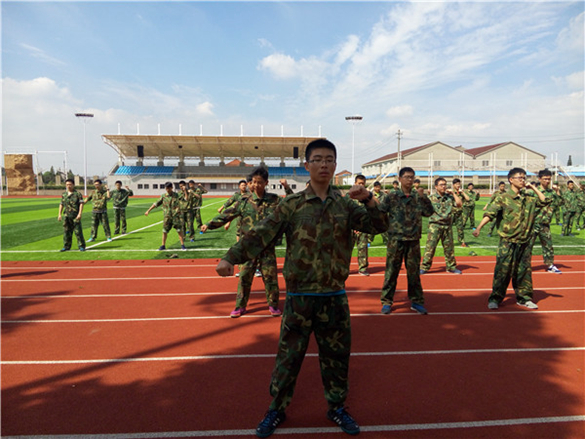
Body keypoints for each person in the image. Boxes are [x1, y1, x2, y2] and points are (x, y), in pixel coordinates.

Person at [214, 139, 388, 438]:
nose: (324, 164)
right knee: (289, 357)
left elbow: (380, 225)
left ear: (335, 165)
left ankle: (336, 406)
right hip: (299, 298)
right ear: (306, 165)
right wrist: (231, 257)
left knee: (337, 356)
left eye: (329, 159)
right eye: (317, 159)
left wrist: (369, 199)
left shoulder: (346, 205)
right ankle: (277, 408)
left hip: (333, 297)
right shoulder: (291, 205)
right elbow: (261, 233)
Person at [202, 167, 282, 318]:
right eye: (254, 182)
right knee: (244, 278)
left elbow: (289, 211)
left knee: (270, 278)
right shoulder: (244, 202)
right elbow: (227, 215)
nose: (256, 185)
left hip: (267, 247)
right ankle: (240, 306)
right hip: (247, 249)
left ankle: (273, 305)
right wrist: (209, 224)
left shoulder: (275, 200)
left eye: (260, 182)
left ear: (266, 183)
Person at [473, 168, 551, 310]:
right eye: (519, 177)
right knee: (502, 271)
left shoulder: (528, 197)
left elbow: (545, 200)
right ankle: (496, 298)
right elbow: (490, 213)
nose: (523, 180)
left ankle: (524, 298)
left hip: (525, 241)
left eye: (524, 177)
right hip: (508, 241)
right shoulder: (503, 197)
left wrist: (533, 187)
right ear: (511, 180)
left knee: (523, 271)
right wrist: (479, 228)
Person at [378, 167, 433, 315]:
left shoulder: (418, 196)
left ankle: (416, 301)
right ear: (400, 178)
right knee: (391, 271)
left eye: (412, 177)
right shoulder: (391, 196)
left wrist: (423, 197)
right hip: (396, 240)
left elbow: (429, 212)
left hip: (413, 240)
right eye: (407, 177)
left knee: (414, 273)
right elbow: (380, 212)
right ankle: (387, 301)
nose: (409, 180)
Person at [420, 177, 463, 275]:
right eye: (441, 185)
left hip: (447, 226)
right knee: (430, 247)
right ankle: (425, 266)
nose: (444, 186)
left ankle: (451, 267)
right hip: (435, 225)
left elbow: (459, 204)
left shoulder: (449, 198)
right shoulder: (431, 198)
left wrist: (453, 194)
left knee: (449, 248)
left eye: (445, 184)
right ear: (436, 187)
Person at [530, 169, 563, 273]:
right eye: (545, 179)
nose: (547, 181)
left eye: (549, 179)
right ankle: (523, 265)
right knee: (527, 246)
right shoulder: (533, 192)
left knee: (548, 245)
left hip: (545, 223)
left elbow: (560, 203)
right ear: (539, 179)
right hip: (533, 223)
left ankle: (550, 265)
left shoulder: (552, 192)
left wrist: (558, 191)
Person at [145, 182, 186, 251]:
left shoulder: (177, 195)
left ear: (171, 188)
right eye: (166, 188)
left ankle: (182, 245)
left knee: (179, 231)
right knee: (164, 231)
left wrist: (185, 190)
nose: (167, 190)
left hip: (176, 216)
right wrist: (148, 210)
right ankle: (163, 245)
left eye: (169, 188)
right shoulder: (164, 196)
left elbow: (185, 199)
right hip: (167, 217)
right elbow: (156, 203)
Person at [350, 174, 371, 276]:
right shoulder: (349, 197)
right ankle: (344, 268)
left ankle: (363, 268)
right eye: (359, 183)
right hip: (350, 228)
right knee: (346, 249)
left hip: (363, 227)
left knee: (362, 248)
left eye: (363, 183)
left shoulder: (367, 197)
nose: (361, 185)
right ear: (355, 183)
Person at [58, 178, 86, 251]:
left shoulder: (77, 194)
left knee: (78, 231)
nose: (68, 186)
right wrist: (59, 214)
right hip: (67, 215)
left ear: (73, 185)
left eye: (70, 184)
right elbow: (61, 204)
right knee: (67, 232)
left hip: (75, 215)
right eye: (67, 184)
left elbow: (81, 204)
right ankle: (66, 246)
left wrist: (80, 214)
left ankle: (81, 246)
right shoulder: (64, 194)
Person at [451, 178, 470, 247]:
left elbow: (468, 199)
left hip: (459, 213)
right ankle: (448, 241)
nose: (458, 185)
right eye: (456, 184)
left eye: (459, 184)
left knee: (460, 228)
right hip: (451, 213)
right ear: (453, 185)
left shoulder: (461, 193)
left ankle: (462, 241)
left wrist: (462, 192)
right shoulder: (451, 192)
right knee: (448, 228)